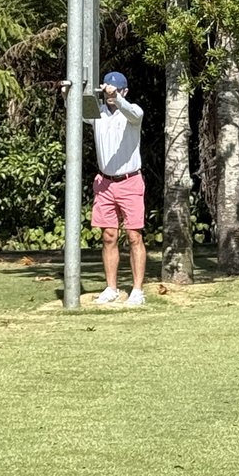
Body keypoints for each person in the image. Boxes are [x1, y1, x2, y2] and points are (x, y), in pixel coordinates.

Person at [90, 71, 146, 307]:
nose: (110, 97)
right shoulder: (97, 114)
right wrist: (66, 95)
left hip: (129, 180)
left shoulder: (133, 112)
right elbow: (76, 112)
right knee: (109, 235)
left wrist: (118, 100)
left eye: (115, 92)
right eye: (108, 92)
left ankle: (137, 290)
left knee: (134, 236)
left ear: (124, 91)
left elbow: (132, 112)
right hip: (104, 182)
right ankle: (111, 287)